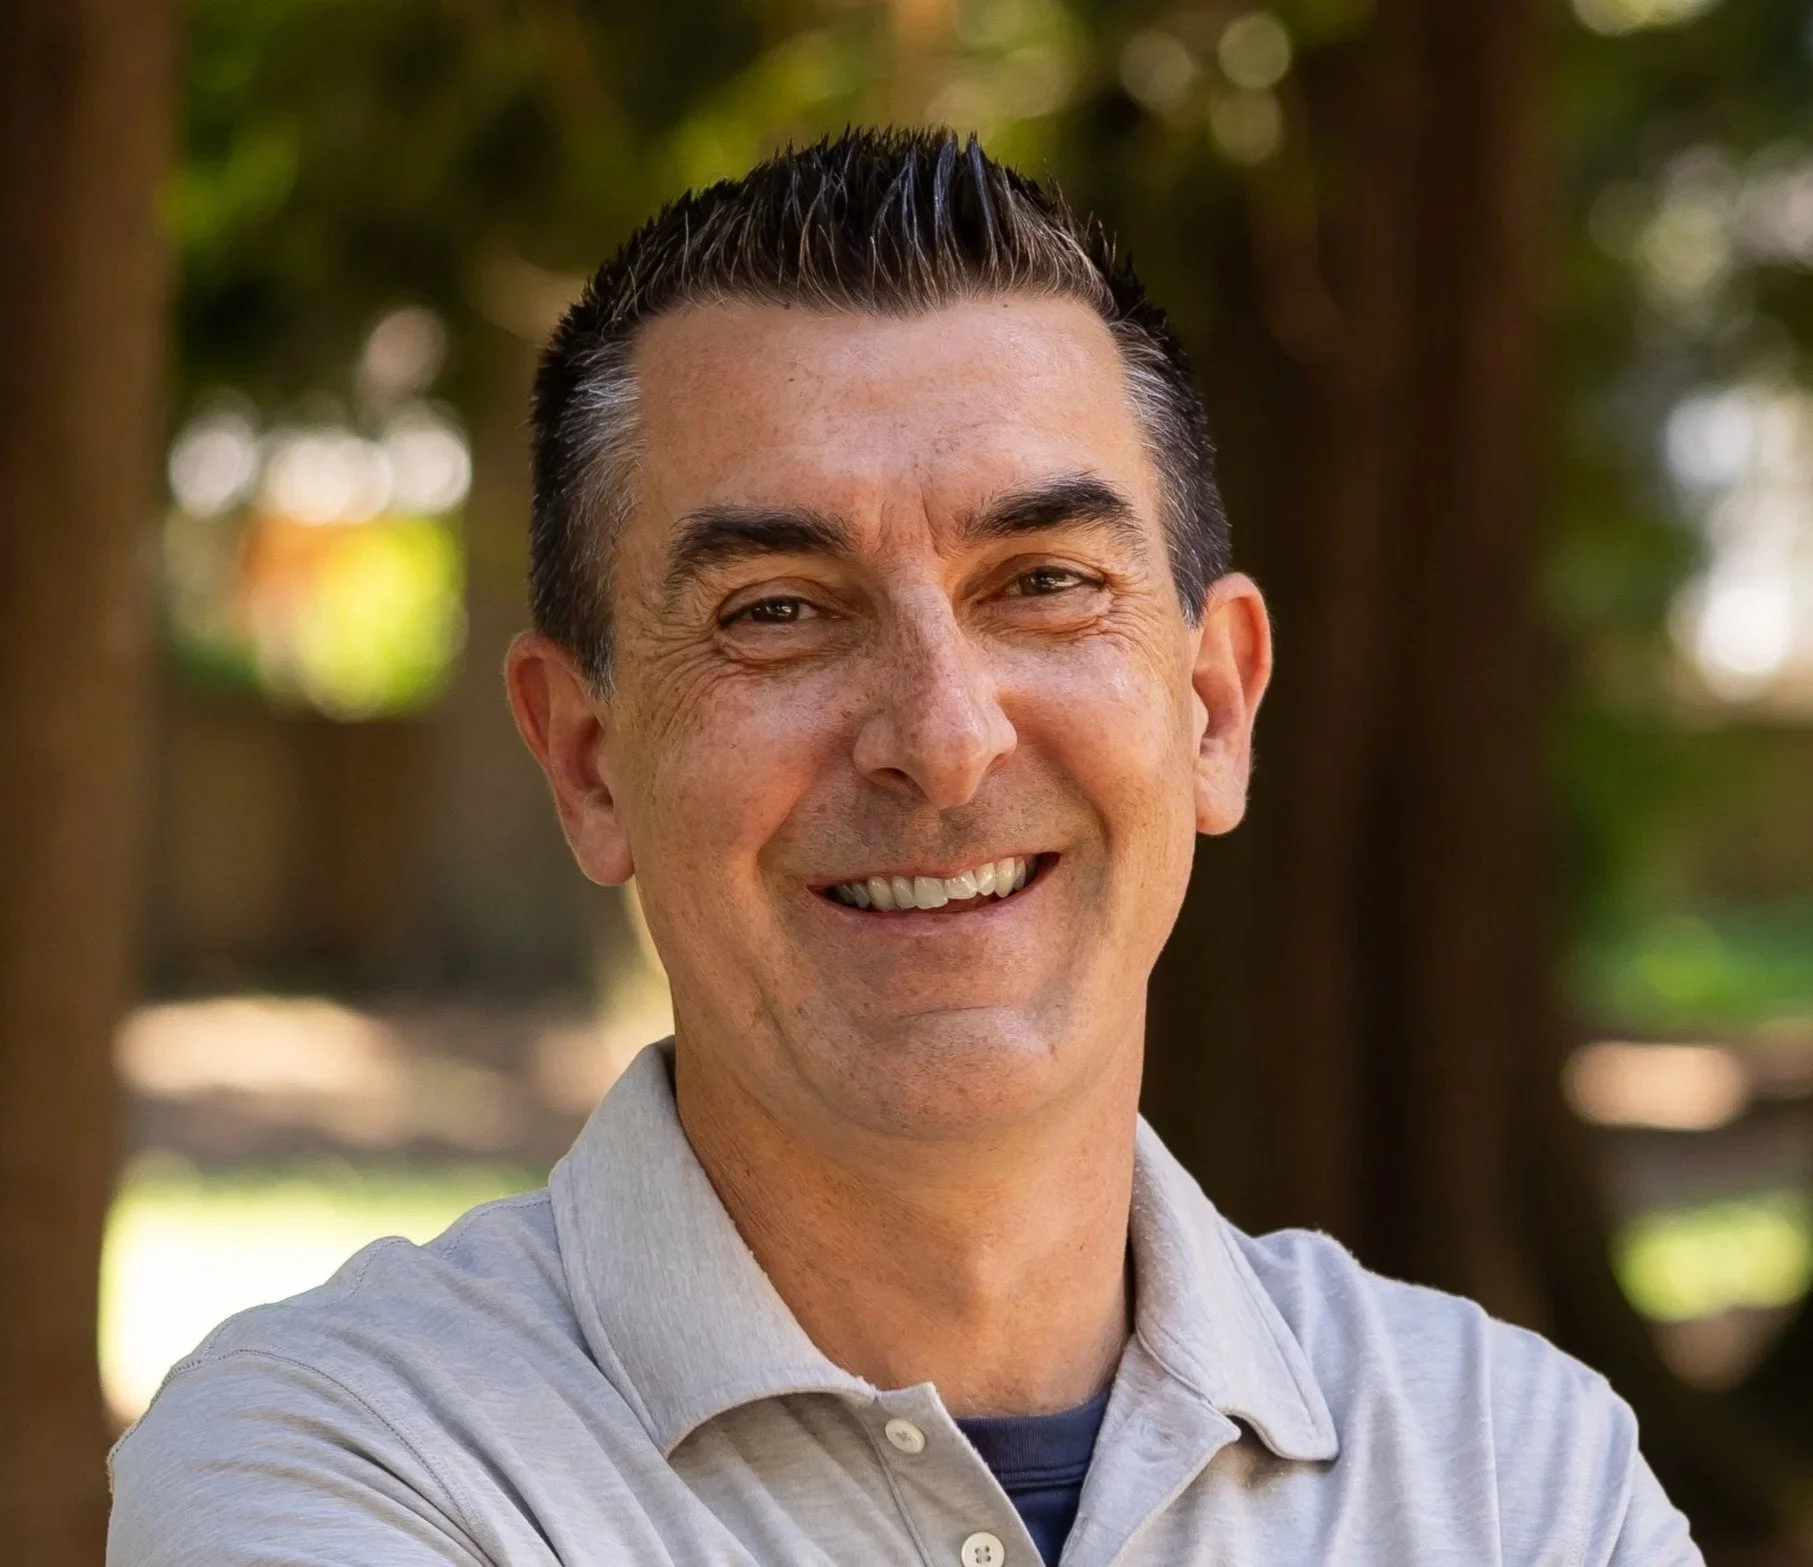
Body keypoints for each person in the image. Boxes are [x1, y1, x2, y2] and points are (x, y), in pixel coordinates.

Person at [107, 127, 1700, 1567]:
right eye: (779, 614)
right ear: (589, 762)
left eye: (1044, 582)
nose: (944, 737)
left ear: (1213, 705)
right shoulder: (344, 1460)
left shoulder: (1515, 1462)